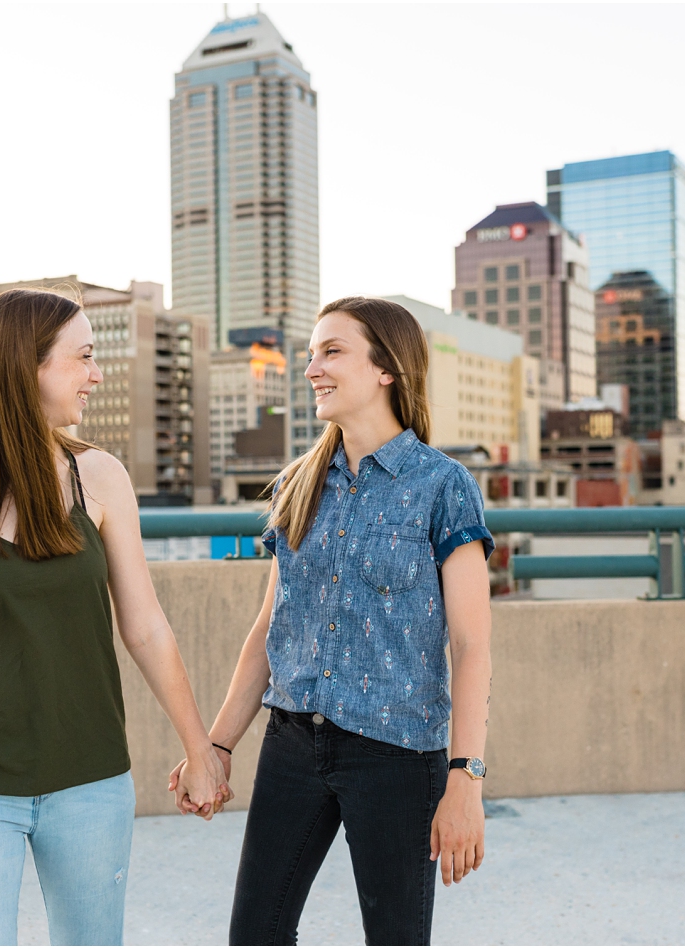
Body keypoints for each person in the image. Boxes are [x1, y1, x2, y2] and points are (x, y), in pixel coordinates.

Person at [0, 287, 227, 946]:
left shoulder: (101, 478)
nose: (96, 374)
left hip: (90, 781)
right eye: (82, 357)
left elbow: (145, 627)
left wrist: (200, 749)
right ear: (27, 367)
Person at [171, 296, 495, 945]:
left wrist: (466, 777)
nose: (311, 366)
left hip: (398, 756)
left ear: (386, 369)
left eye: (331, 350)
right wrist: (216, 745)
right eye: (311, 352)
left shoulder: (441, 485)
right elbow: (270, 628)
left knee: (395, 939)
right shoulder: (298, 481)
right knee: (255, 934)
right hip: (292, 743)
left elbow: (471, 644)